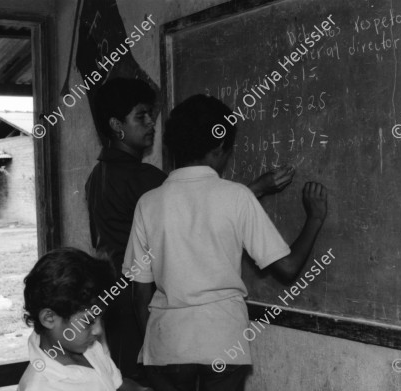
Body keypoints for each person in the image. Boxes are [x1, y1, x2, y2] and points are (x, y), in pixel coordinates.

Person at [85, 78, 295, 380]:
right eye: (141, 116)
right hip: (153, 310)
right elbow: (198, 210)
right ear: (117, 125)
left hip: (124, 308)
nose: (151, 125)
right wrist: (255, 190)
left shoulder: (96, 176)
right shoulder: (144, 181)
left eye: (152, 117)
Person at [122, 94, 328, 391]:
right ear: (220, 148)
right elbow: (288, 267)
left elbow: (140, 291)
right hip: (221, 341)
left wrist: (152, 345)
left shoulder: (148, 203)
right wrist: (315, 219)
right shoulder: (236, 197)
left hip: (166, 343)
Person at [18, 247, 152, 391]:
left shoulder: (87, 347)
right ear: (49, 318)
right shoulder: (40, 386)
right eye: (88, 321)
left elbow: (116, 383)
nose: (98, 330)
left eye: (100, 318)